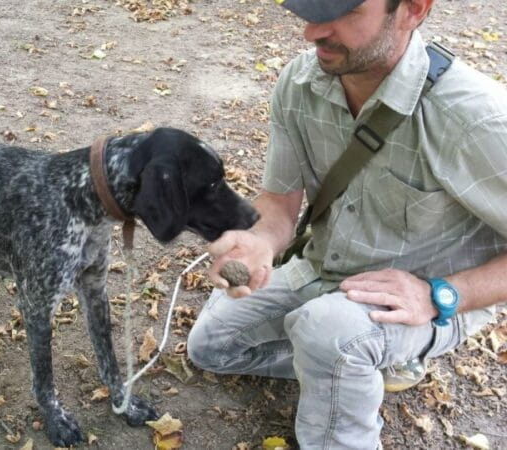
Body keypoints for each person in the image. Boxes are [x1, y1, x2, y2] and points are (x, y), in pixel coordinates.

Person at [186, 0, 507, 447]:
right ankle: (359, 363)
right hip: (324, 266)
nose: (312, 32)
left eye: (344, 12)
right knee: (212, 348)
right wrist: (258, 241)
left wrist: (442, 295)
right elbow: (279, 202)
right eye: (309, 9)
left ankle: (354, 361)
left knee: (330, 334)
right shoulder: (300, 83)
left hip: (430, 296)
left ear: (413, 10)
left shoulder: (477, 119)